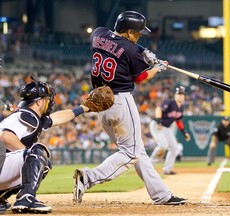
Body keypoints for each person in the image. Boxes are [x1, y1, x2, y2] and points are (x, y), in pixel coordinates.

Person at [73, 11, 186, 206]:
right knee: (131, 153)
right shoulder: (131, 51)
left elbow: (117, 43)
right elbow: (141, 78)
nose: (139, 36)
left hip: (100, 103)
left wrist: (142, 50)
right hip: (120, 102)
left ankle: (161, 195)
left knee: (137, 150)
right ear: (128, 31)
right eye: (137, 33)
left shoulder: (98, 34)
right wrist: (157, 67)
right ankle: (88, 178)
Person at [0, 78, 90, 214]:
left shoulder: (30, 116)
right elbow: (6, 137)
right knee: (37, 152)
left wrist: (83, 108)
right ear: (39, 102)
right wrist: (29, 155)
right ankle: (26, 198)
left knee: (42, 163)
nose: (50, 102)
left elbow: (57, 118)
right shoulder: (26, 115)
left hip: (2, 166)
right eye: (48, 99)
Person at [149, 86, 191, 175]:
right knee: (163, 146)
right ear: (175, 95)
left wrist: (184, 132)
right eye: (179, 94)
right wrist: (159, 121)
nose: (181, 96)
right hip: (157, 125)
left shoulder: (181, 107)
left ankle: (167, 169)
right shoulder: (169, 102)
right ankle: (149, 165)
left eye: (182, 94)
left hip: (166, 128)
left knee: (174, 147)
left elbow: (178, 121)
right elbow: (158, 109)